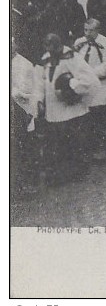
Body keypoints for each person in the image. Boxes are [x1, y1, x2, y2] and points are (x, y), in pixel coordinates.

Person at [33, 33, 99, 184]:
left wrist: (71, 87)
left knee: (73, 142)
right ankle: (60, 173)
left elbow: (90, 80)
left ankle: (77, 171)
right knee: (57, 143)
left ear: (60, 45)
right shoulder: (44, 60)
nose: (51, 50)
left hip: (71, 109)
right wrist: (38, 100)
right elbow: (38, 83)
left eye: (54, 46)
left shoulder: (72, 57)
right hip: (54, 111)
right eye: (47, 46)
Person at [73, 19, 106, 158]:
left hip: (102, 85)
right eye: (85, 30)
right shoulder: (79, 43)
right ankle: (93, 148)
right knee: (90, 118)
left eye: (91, 30)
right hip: (86, 86)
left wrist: (90, 75)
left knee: (105, 116)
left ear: (98, 30)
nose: (87, 33)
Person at [11, 37, 37, 197]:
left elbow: (26, 93)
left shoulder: (24, 65)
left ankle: (22, 186)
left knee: (19, 149)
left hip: (20, 112)